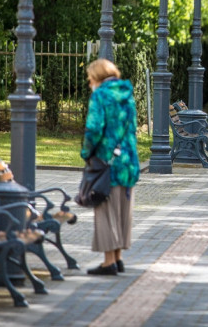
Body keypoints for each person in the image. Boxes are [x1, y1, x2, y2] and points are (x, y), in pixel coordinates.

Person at [81, 59, 140, 276]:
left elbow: (94, 129)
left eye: (90, 79)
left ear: (97, 77)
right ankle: (118, 258)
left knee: (105, 211)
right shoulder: (127, 94)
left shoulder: (100, 95)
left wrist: (86, 153)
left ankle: (108, 263)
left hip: (107, 162)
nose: (89, 83)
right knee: (122, 210)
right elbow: (131, 128)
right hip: (128, 162)